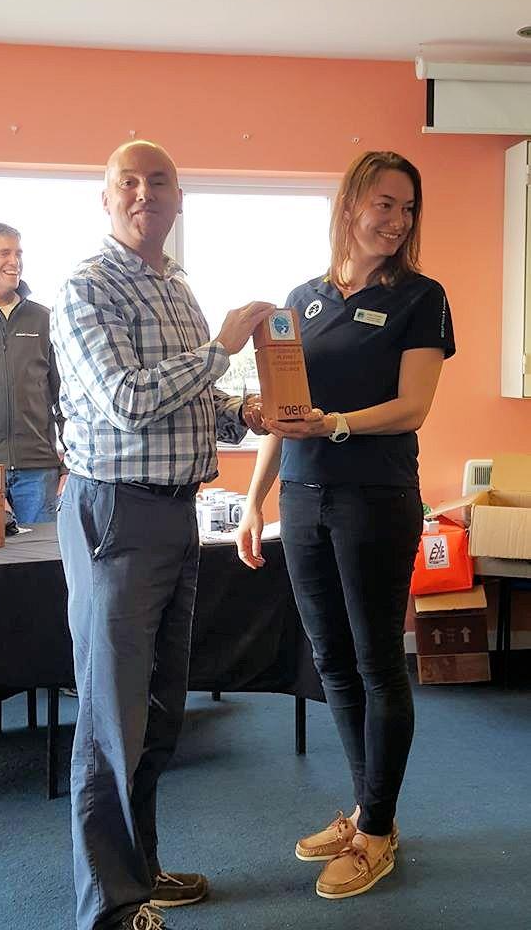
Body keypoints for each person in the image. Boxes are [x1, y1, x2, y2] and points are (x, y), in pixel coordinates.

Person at [50, 140, 274, 930]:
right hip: (114, 513)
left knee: (157, 712)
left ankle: (139, 871)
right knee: (113, 720)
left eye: (160, 181)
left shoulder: (177, 289)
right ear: (108, 199)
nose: (145, 193)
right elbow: (123, 400)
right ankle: (111, 908)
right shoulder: (86, 287)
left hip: (176, 512)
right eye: (128, 182)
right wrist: (220, 352)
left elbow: (187, 407)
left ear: (179, 198)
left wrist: (245, 412)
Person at [236, 151, 455, 899]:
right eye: (383, 204)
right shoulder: (302, 300)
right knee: (330, 664)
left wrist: (332, 425)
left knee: (376, 663)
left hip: (375, 498)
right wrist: (255, 501)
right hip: (301, 502)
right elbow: (282, 416)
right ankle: (366, 811)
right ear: (351, 204)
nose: (395, 221)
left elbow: (411, 407)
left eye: (407, 208)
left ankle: (379, 830)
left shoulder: (421, 298)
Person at [0, 222, 67, 523]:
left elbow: (67, 399)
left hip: (39, 471)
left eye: (18, 253)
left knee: (38, 566)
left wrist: (70, 466)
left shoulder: (44, 319)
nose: (15, 262)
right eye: (4, 253)